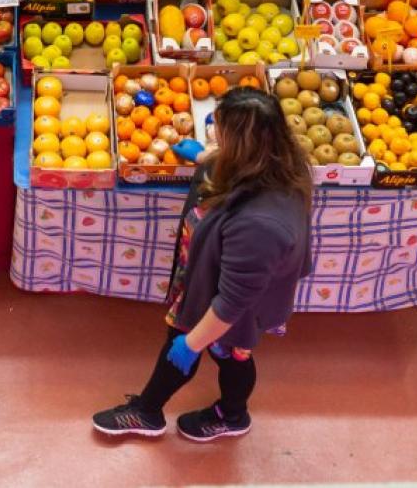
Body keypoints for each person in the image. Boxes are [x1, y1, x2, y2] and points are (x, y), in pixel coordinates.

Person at [93, 87, 313, 442]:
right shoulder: (282, 163)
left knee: (203, 346)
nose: (213, 134)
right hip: (224, 282)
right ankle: (232, 413)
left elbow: (231, 302)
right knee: (232, 354)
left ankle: (151, 411)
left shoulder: (259, 225)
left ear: (241, 144)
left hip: (231, 301)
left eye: (220, 130)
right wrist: (210, 160)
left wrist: (192, 341)